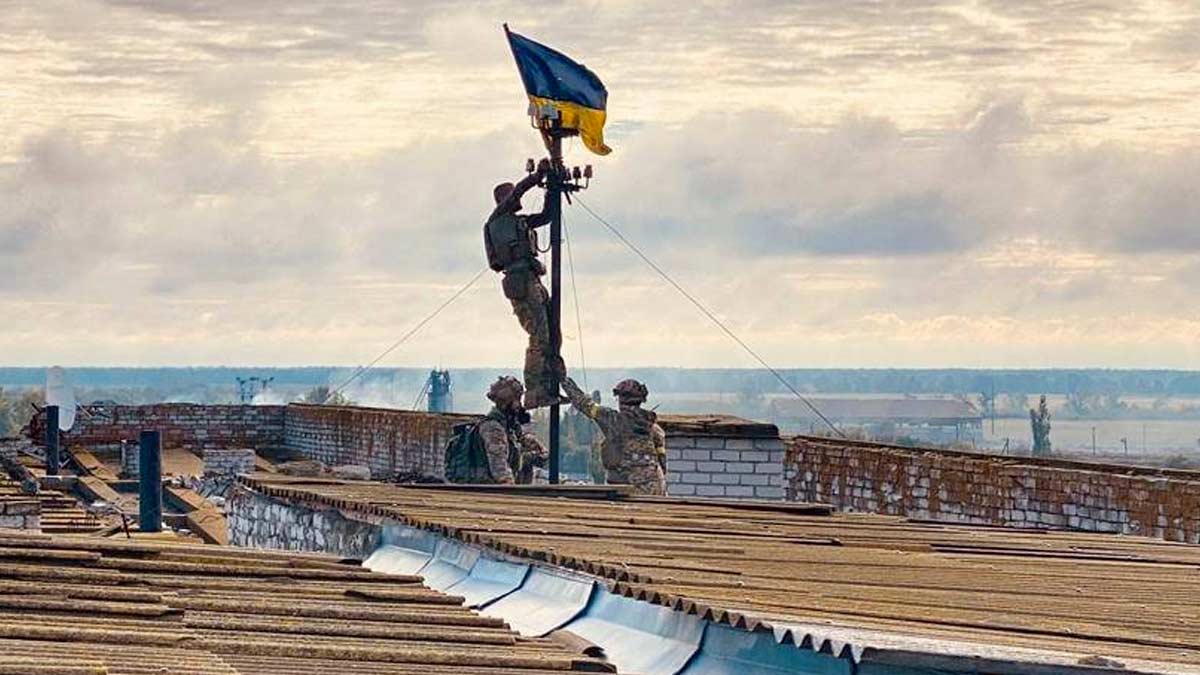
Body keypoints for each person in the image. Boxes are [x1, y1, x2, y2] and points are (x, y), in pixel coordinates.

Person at [484, 160, 559, 408]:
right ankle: (534, 392)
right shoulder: (497, 220)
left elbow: (547, 216)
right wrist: (536, 177)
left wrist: (551, 189)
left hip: (532, 280)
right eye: (510, 197)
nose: (516, 201)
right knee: (538, 338)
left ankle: (551, 384)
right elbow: (518, 192)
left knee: (550, 334)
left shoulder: (518, 222)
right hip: (521, 283)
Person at [561, 376, 666, 495]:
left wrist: (564, 381)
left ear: (620, 400)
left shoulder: (613, 420)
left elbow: (584, 404)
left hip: (622, 488)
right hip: (650, 488)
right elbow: (661, 457)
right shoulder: (651, 425)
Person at [478, 376, 548, 484]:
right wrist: (512, 489)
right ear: (505, 403)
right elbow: (500, 469)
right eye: (517, 400)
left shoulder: (510, 427)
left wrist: (530, 454)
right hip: (487, 489)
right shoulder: (493, 428)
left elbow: (542, 456)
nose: (519, 405)